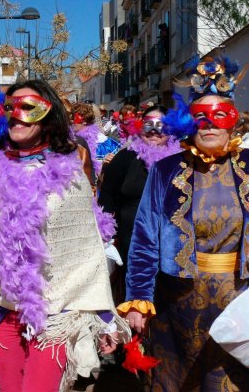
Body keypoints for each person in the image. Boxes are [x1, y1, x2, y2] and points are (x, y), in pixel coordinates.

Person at [0, 79, 130, 392]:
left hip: (54, 315)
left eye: (27, 108)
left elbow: (85, 251)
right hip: (0, 308)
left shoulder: (69, 175)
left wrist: (105, 317)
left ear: (47, 116)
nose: (17, 115)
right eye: (10, 108)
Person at [118, 55, 249, 390]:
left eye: (220, 115)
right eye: (200, 117)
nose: (209, 125)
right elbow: (145, 239)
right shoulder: (167, 170)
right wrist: (138, 300)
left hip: (240, 303)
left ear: (233, 121)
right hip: (178, 305)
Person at [98, 105, 181, 301]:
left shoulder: (182, 160)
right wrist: (106, 238)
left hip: (173, 243)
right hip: (132, 243)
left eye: (161, 125)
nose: (154, 130)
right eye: (148, 124)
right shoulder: (125, 158)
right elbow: (106, 202)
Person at [71, 102, 121, 181]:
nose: (71, 121)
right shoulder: (70, 141)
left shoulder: (105, 144)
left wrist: (103, 166)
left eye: (74, 118)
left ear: (84, 120)